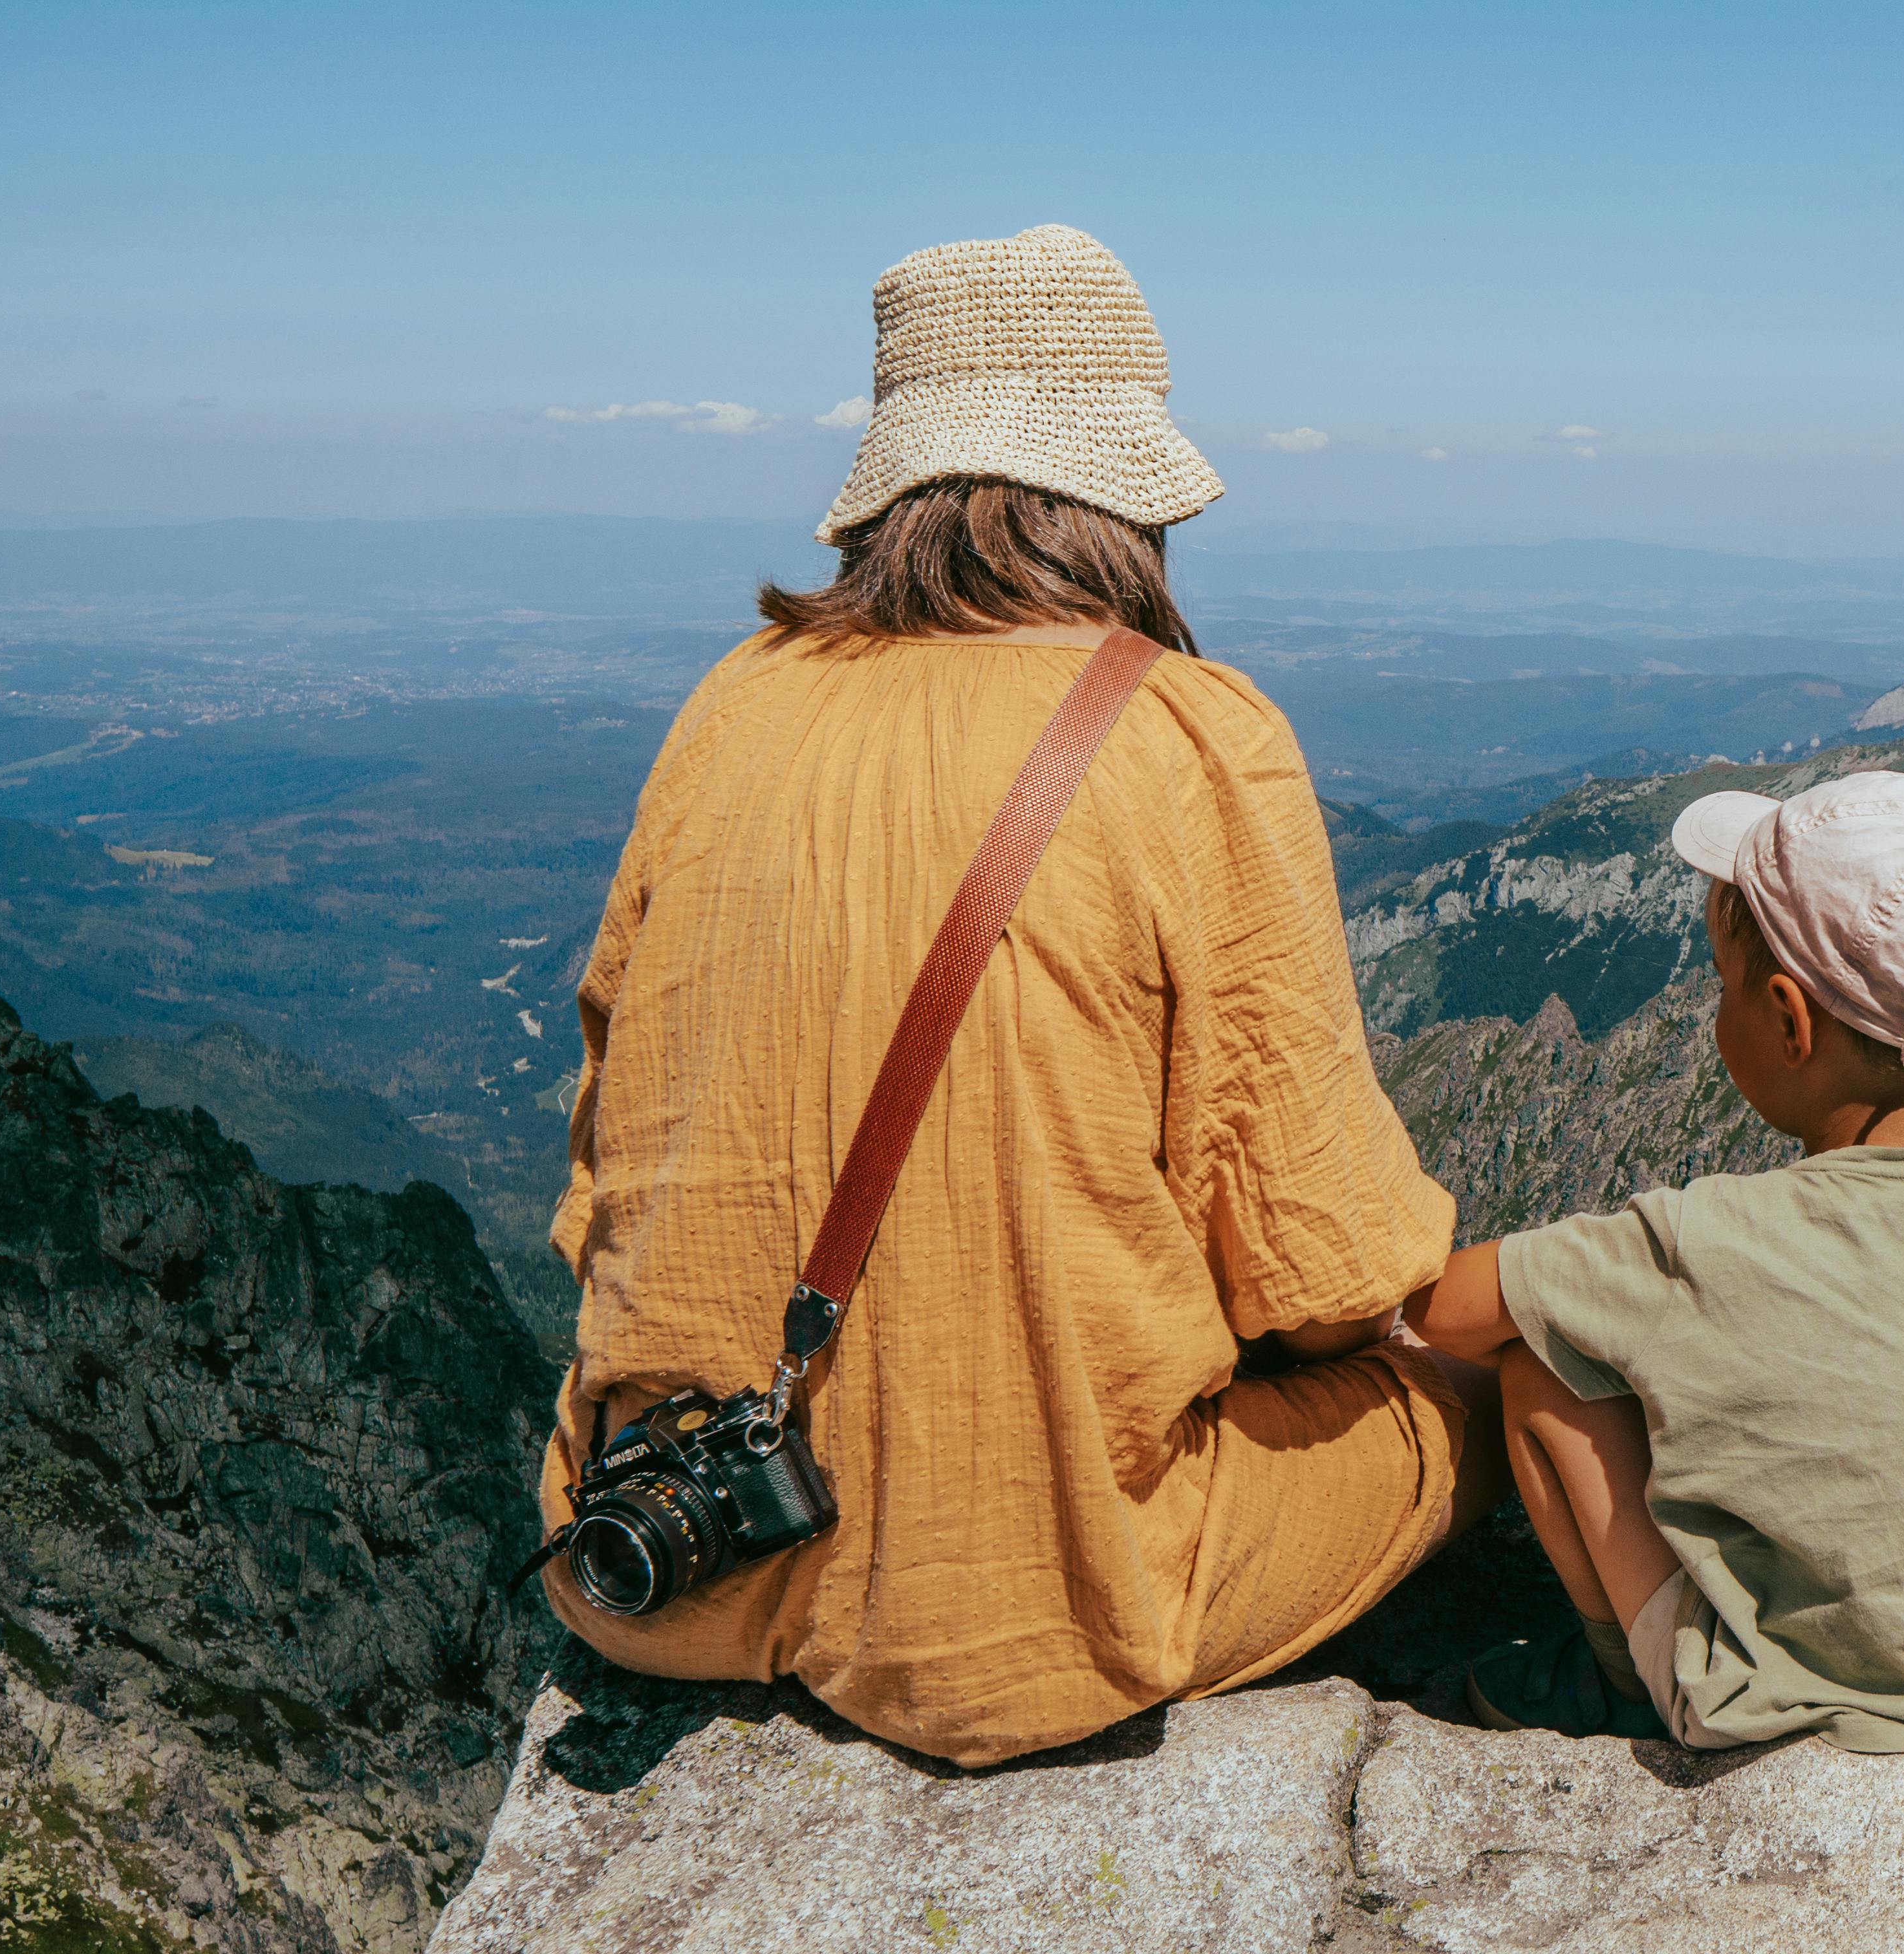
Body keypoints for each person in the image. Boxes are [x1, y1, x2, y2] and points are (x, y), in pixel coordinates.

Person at [537, 222, 1490, 1767]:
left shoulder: (732, 701)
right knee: (1467, 1405)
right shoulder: (1194, 737)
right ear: (1124, 489)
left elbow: (603, 1163)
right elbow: (1320, 1267)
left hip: (678, 1551)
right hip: (1026, 1612)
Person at [1402, 769, 1904, 1755]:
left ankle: (1627, 1686)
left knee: (1540, 1363)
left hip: (1764, 1695)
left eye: (1721, 982)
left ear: (1788, 1019)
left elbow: (1443, 1308)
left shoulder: (1711, 1238)